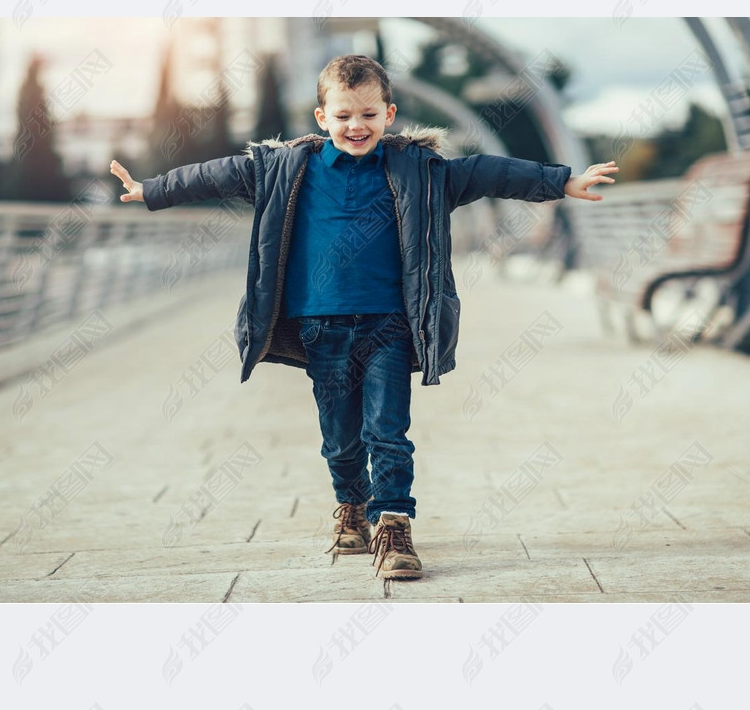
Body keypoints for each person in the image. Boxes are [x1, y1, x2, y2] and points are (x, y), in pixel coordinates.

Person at [111, 52, 616, 580]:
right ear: (322, 117)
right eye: (345, 115)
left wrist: (563, 182)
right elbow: (215, 175)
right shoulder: (284, 169)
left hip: (391, 325)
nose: (357, 126)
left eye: (369, 115)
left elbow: (489, 171)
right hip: (319, 327)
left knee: (387, 431)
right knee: (340, 437)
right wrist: (153, 190)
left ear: (390, 115)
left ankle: (394, 526)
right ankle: (351, 505)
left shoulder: (423, 172)